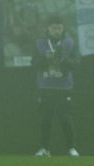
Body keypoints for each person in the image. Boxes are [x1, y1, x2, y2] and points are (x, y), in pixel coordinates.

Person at [32, 17, 79, 158]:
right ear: (48, 28)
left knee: (66, 118)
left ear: (63, 28)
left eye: (59, 28)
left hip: (64, 87)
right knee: (45, 119)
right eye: (53, 28)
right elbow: (33, 64)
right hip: (45, 86)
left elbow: (76, 64)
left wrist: (64, 60)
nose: (56, 31)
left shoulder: (70, 43)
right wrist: (45, 58)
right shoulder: (40, 43)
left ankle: (71, 148)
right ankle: (44, 148)